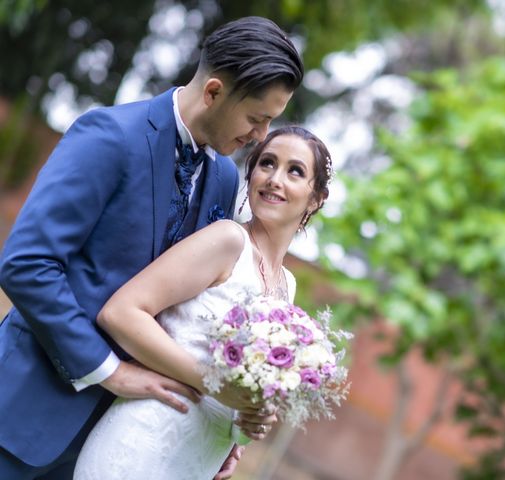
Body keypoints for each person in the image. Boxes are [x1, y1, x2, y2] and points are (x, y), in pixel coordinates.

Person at [0, 16, 303, 480]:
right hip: (24, 412)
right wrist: (107, 370)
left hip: (117, 439)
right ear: (215, 92)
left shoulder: (223, 179)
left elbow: (190, 309)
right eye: (256, 118)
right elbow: (27, 264)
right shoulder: (109, 136)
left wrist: (223, 430)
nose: (260, 136)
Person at [71, 126, 333, 479]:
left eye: (295, 171)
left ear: (316, 197)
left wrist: (246, 426)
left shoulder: (288, 285)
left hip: (197, 461)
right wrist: (216, 387)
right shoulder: (227, 240)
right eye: (267, 164)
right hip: (142, 443)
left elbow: (238, 389)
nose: (274, 179)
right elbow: (121, 312)